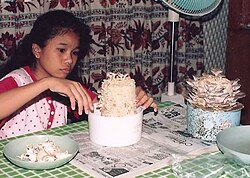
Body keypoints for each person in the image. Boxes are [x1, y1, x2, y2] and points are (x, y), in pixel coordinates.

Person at [0, 10, 157, 139]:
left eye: (74, 52)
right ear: (37, 50)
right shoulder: (17, 80)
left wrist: (128, 99)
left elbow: (104, 111)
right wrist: (46, 83)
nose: (69, 59)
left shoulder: (70, 88)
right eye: (61, 50)